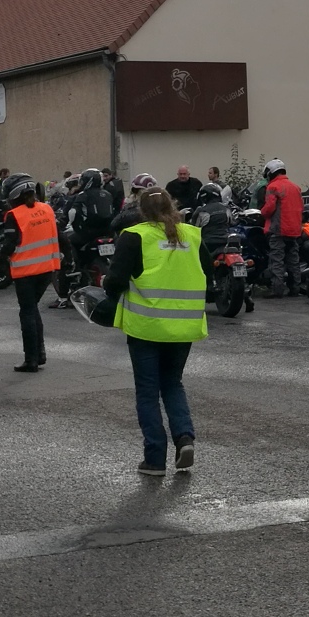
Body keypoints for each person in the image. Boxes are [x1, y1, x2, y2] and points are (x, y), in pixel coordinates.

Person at [105, 187, 207, 476]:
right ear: (172, 206)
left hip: (146, 327)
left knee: (148, 392)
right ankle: (184, 438)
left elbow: (115, 281)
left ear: (142, 211)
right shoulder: (193, 235)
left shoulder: (135, 236)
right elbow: (209, 277)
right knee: (173, 383)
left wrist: (107, 291)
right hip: (183, 328)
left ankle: (154, 459)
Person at [0, 175, 60, 372]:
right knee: (32, 310)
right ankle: (39, 354)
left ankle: (31, 359)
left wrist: (1, 255)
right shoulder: (46, 209)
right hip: (47, 269)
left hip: (25, 271)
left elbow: (9, 245)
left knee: (27, 312)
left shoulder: (13, 215)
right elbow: (60, 235)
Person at [260, 159, 303, 297]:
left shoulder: (273, 187)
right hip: (294, 230)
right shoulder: (295, 187)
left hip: (278, 229)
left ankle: (277, 290)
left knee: (276, 260)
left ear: (271, 172)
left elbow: (269, 209)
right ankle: (295, 288)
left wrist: (261, 212)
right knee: (293, 261)